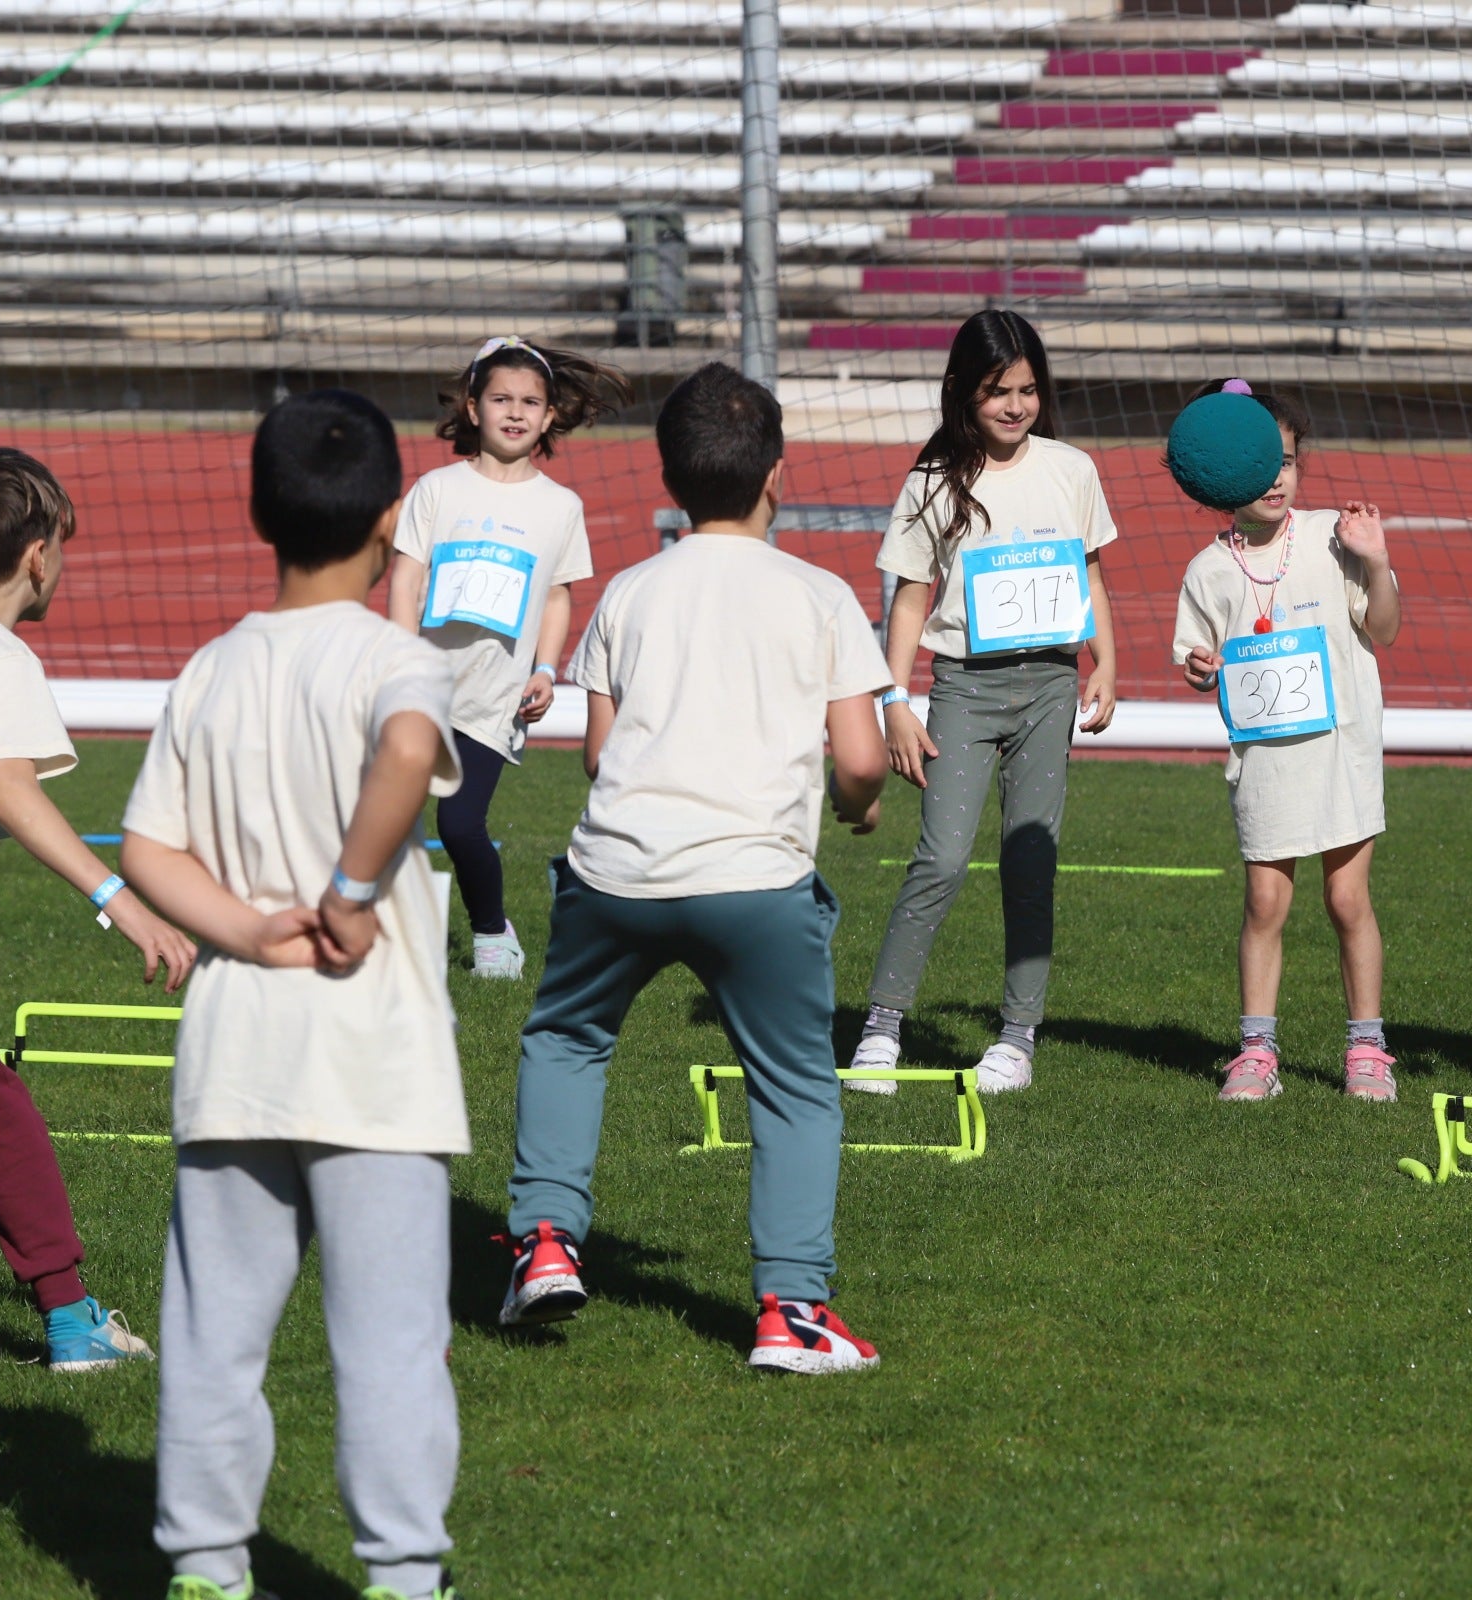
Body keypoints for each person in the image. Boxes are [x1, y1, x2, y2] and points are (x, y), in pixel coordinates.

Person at [119, 391, 467, 1600]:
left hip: (238, 1051)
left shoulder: (210, 669)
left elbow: (147, 846)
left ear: (261, 514)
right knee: (390, 1340)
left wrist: (248, 933)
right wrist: (351, 892)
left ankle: (206, 1568)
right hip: (375, 1056)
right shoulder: (396, 657)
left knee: (213, 1336)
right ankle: (404, 1574)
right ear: (389, 519)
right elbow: (409, 750)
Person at [498, 362, 893, 1375]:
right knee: (795, 1084)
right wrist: (858, 806)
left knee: (567, 1038)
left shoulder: (630, 591)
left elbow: (599, 754)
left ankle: (544, 1240)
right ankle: (792, 1311)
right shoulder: (821, 595)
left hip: (615, 872)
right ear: (777, 474)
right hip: (756, 881)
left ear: (670, 481)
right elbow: (860, 759)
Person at [849, 309, 1120, 1096]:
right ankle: (881, 1028)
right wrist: (894, 701)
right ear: (964, 390)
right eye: (999, 390)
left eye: (1028, 390)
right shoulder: (933, 481)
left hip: (1050, 685)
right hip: (963, 689)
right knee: (939, 857)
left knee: (1031, 861)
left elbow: (1090, 573)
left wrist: (1105, 662)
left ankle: (1016, 1039)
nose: (1015, 405)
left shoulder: (1072, 470)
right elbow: (909, 599)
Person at [0, 447, 192, 1372]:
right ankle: (72, 1322)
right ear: (38, 557)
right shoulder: (0, 658)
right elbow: (7, 788)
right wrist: (122, 902)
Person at [1170, 381, 1403, 1103]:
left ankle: (1367, 1050)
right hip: (1267, 761)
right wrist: (1201, 668)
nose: (1276, 478)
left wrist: (1375, 559)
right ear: (1219, 475)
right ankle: (1256, 1053)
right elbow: (1197, 663)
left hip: (1342, 751)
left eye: (1288, 461)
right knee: (1266, 904)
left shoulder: (1335, 536)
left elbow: (1385, 627)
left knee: (1347, 899)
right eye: (1257, 464)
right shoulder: (1208, 570)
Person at [387, 335, 630, 976]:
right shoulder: (436, 490)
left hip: (493, 696)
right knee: (382, 814)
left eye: (530, 402)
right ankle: (379, 932)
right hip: (422, 685)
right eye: (501, 399)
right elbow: (406, 579)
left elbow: (557, 596)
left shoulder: (560, 506)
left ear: (550, 416)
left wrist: (546, 669)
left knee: (460, 823)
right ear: (473, 408)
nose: (515, 412)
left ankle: (493, 935)